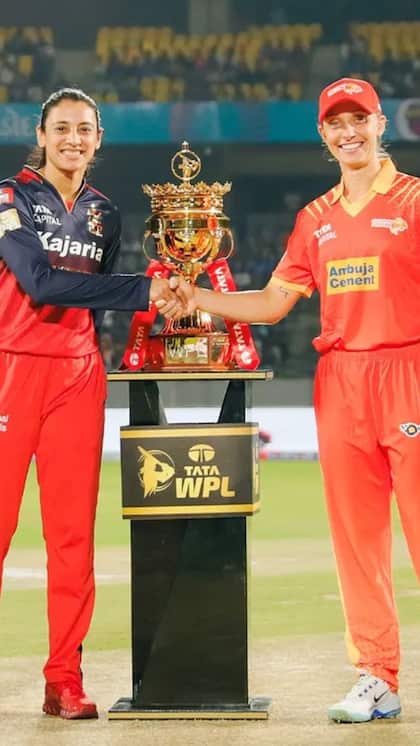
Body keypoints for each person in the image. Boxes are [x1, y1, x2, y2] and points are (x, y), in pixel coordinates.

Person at [175, 77, 420, 724]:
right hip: (339, 382)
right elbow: (271, 303)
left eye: (359, 119)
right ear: (323, 134)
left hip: (408, 373)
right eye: (336, 123)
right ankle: (377, 676)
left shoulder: (414, 200)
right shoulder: (315, 218)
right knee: (356, 539)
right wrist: (197, 298)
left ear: (379, 124)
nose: (349, 132)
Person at [0, 87, 186, 720]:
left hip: (79, 378)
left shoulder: (105, 212)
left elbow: (92, 298)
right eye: (61, 128)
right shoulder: (10, 198)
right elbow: (39, 282)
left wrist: (143, 297)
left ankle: (64, 680)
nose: (73, 139)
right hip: (11, 369)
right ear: (41, 135)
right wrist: (144, 289)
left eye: (84, 129)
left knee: (73, 537)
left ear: (98, 139)